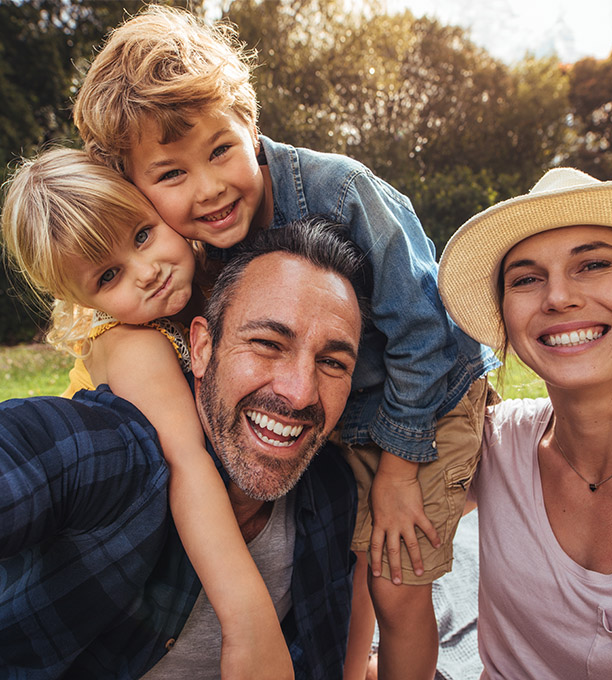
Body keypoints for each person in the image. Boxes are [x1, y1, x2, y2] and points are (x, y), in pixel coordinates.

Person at [71, 8, 499, 677]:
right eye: (171, 174)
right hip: (334, 411)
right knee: (346, 558)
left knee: (395, 573)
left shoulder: (342, 191)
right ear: (138, 186)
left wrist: (398, 470)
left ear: (250, 122)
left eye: (219, 150)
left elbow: (429, 329)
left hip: (427, 404)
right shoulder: (184, 248)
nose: (208, 188)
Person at [0, 217, 368, 679]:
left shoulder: (332, 490)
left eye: (332, 361)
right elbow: (33, 454)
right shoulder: (117, 455)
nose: (299, 392)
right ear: (200, 346)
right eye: (267, 343)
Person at [437, 167, 612, 679]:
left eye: (592, 265)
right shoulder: (493, 442)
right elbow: (381, 541)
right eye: (525, 279)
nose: (557, 297)